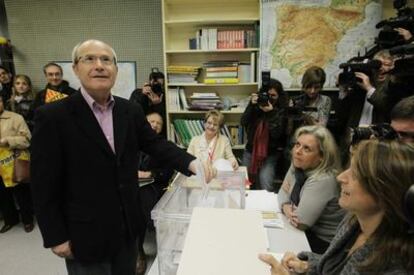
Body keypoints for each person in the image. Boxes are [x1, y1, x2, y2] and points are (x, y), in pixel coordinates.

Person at [30, 39, 208, 275]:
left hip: (127, 229)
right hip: (84, 234)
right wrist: (56, 236)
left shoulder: (130, 110)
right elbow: (43, 182)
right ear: (75, 68)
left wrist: (191, 162)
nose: (99, 65)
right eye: (89, 59)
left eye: (106, 60)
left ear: (115, 69)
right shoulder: (52, 116)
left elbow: (154, 143)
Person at [260, 139, 414, 274]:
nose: (341, 177)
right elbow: (335, 268)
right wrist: (306, 266)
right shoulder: (352, 223)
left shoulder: (397, 265)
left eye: (355, 174)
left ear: (386, 192)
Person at [278, 125, 345, 254]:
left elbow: (301, 222)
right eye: (297, 145)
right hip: (306, 232)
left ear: (322, 156)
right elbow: (281, 194)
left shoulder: (323, 179)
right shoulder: (298, 164)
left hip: (325, 243)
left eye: (307, 149)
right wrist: (285, 206)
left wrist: (287, 202)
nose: (298, 151)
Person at [135, 112, 174, 275]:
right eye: (152, 121)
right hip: (130, 185)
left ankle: (139, 253)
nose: (155, 125)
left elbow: (167, 172)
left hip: (155, 186)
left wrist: (149, 174)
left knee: (142, 199)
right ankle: (137, 249)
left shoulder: (164, 145)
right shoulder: (130, 142)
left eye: (159, 123)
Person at [241, 78, 288, 191]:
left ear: (279, 96)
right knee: (243, 183)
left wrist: (271, 113)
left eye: (273, 96)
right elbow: (243, 122)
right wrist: (251, 105)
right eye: (267, 95)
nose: (269, 98)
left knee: (265, 182)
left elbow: (277, 134)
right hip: (250, 151)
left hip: (270, 154)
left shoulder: (282, 110)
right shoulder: (256, 105)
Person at [0, 96, 33, 233]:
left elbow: (27, 140)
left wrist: (8, 140)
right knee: (3, 195)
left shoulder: (15, 118)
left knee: (22, 194)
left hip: (14, 162)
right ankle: (10, 220)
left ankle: (27, 220)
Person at [129, 68, 166, 136]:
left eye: (159, 85)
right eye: (154, 85)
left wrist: (158, 105)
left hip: (158, 136)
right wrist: (142, 96)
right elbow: (133, 115)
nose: (156, 87)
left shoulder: (164, 96)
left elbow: (164, 122)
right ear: (149, 84)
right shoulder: (138, 93)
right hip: (139, 133)